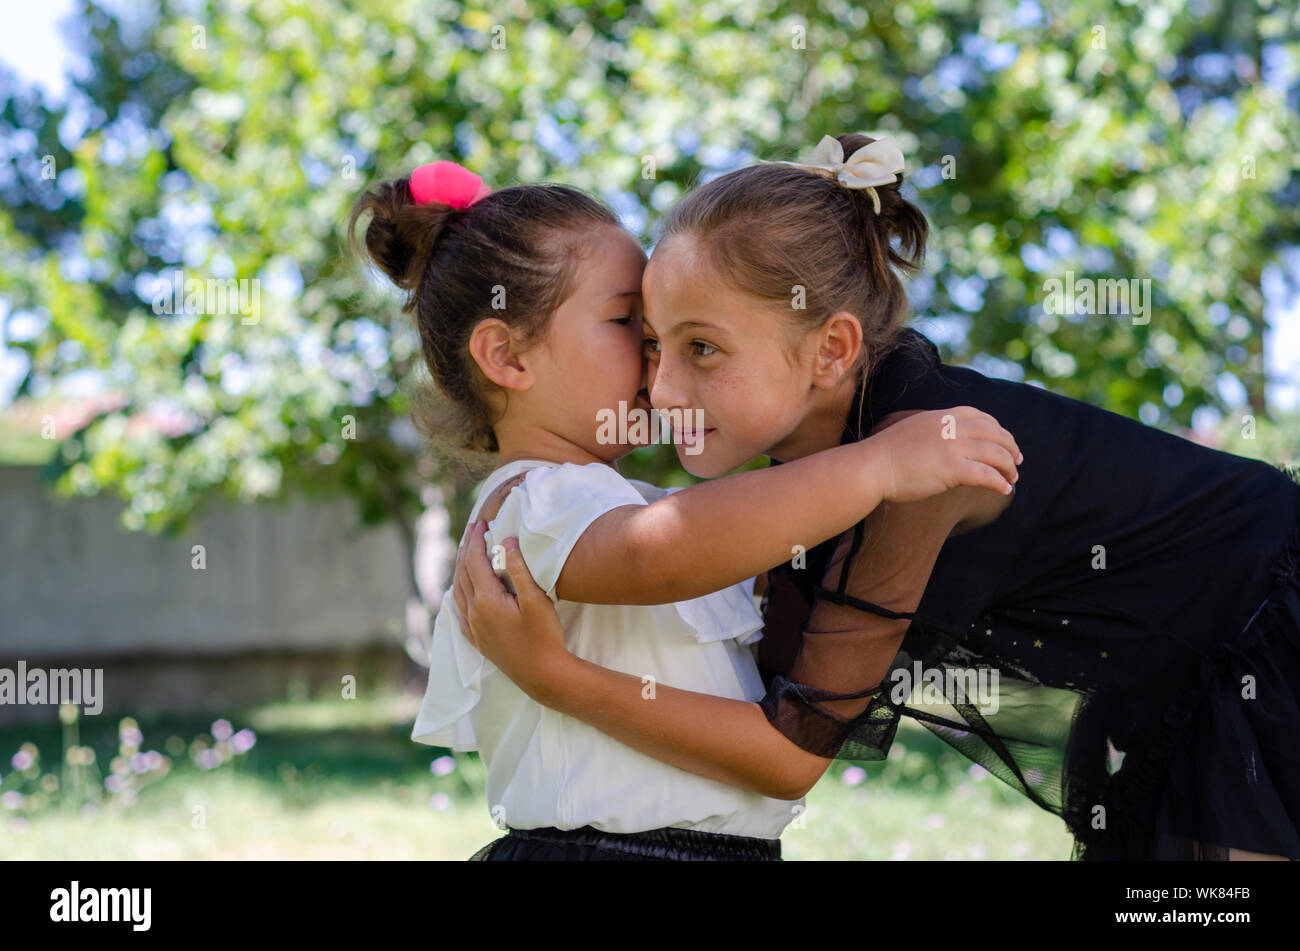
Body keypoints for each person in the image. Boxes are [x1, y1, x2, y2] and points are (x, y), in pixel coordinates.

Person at [450, 133, 1300, 860]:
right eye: (650, 344)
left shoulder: (912, 464)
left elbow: (789, 750)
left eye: (702, 349)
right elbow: (766, 683)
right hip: (1188, 670)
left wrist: (554, 675)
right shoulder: (824, 479)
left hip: (1271, 633)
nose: (662, 388)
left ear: (830, 351)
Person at [347, 159, 1022, 859]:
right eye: (626, 322)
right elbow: (657, 552)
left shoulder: (627, 505)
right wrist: (876, 465)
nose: (656, 357)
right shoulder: (531, 502)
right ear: (507, 356)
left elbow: (720, 543)